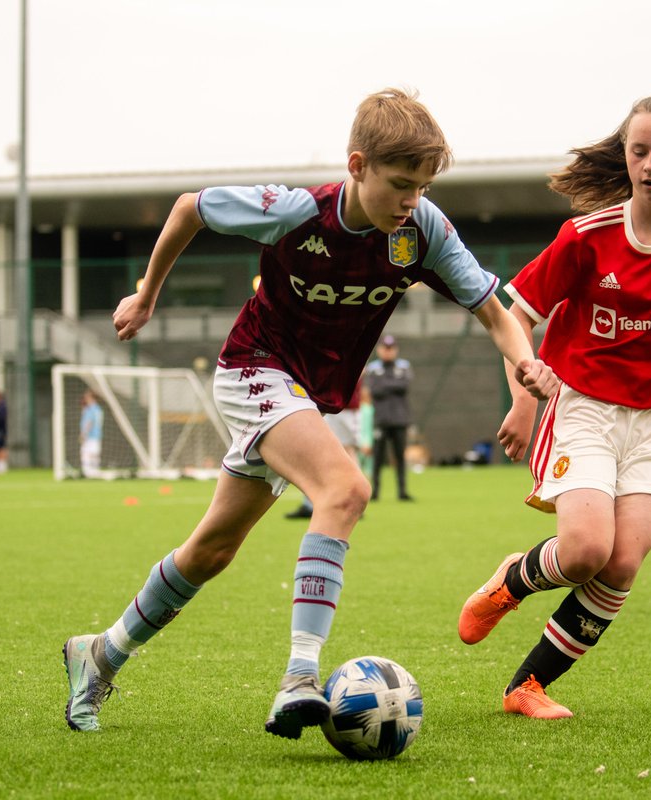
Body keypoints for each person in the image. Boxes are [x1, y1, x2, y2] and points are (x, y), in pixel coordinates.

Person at [62, 88, 557, 737]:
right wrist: (147, 292)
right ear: (357, 166)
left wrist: (524, 367)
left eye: (423, 187)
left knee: (210, 551)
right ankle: (298, 677)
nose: (412, 201)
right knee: (345, 489)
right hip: (253, 367)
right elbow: (191, 208)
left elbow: (495, 312)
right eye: (400, 185)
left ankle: (99, 654)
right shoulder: (297, 212)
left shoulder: (422, 230)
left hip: (304, 394)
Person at [457, 93, 651, 720]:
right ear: (626, 154)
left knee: (621, 563)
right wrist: (522, 400)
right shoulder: (586, 235)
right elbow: (515, 314)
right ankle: (512, 579)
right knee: (583, 552)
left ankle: (528, 688)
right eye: (640, 151)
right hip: (585, 408)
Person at [285, 377, 365, 519]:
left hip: (341, 409)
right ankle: (310, 504)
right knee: (315, 450)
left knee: (346, 450)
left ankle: (355, 501)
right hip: (319, 405)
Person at [364, 334, 414, 500]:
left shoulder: (404, 366)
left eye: (391, 348)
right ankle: (375, 491)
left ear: (396, 349)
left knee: (400, 457)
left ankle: (402, 491)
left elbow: (404, 386)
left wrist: (385, 384)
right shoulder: (373, 368)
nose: (388, 352)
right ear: (379, 350)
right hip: (381, 419)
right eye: (385, 348)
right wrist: (392, 384)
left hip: (400, 419)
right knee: (378, 458)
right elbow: (375, 390)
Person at [78, 389, 104, 478]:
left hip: (90, 435)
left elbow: (89, 423)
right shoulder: (98, 409)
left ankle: (88, 472)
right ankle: (95, 471)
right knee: (94, 454)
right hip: (97, 435)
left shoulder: (90, 410)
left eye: (87, 397)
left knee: (86, 453)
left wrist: (83, 434)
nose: (85, 399)